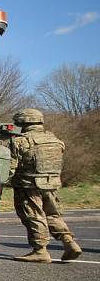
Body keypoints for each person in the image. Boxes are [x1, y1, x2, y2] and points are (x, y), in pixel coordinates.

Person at [8, 108, 82, 263]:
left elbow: (11, 167)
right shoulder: (55, 139)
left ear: (22, 122)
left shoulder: (20, 141)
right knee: (52, 214)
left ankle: (40, 250)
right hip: (51, 184)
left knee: (33, 215)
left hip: (28, 185)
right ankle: (68, 241)